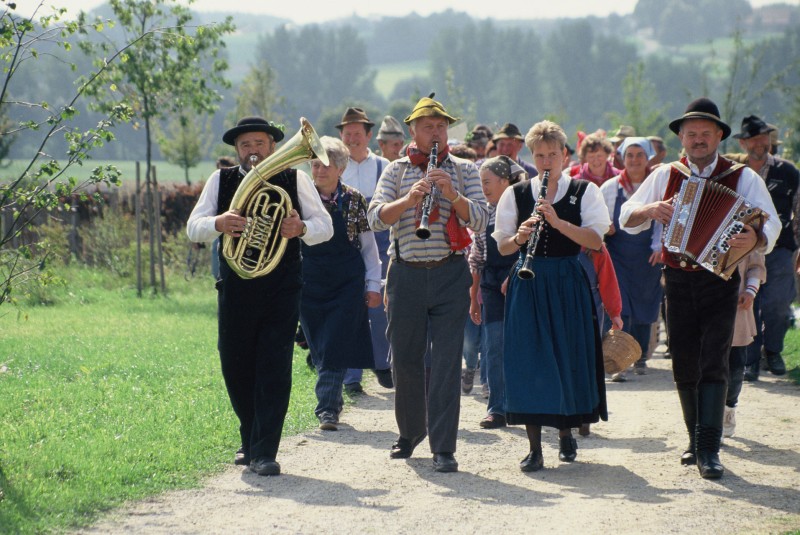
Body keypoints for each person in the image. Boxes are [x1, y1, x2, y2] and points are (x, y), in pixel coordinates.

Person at [619, 97, 780, 479]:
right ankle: (694, 439)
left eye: (705, 133)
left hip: (721, 278)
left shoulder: (743, 177)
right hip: (678, 276)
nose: (697, 140)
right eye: (690, 134)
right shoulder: (665, 175)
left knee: (714, 358)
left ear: (720, 136)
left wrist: (754, 237)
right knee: (684, 359)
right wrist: (651, 209)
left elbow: (771, 223)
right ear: (681, 139)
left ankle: (710, 448)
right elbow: (627, 216)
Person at [186, 116, 333, 476]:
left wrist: (301, 228)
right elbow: (194, 225)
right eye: (246, 145)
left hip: (281, 287)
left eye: (260, 144)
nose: (253, 151)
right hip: (236, 286)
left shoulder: (295, 179)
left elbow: (325, 227)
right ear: (237, 150)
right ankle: (249, 436)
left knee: (274, 365)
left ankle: (265, 450)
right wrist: (219, 223)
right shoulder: (220, 181)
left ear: (272, 146)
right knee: (235, 365)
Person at [368, 94, 488, 473]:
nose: (435, 133)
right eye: (427, 127)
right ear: (413, 131)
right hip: (405, 272)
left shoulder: (465, 169)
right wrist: (409, 200)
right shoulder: (396, 170)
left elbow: (482, 219)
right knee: (404, 358)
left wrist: (451, 194)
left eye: (440, 127)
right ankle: (410, 432)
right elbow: (375, 219)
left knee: (448, 361)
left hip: (451, 272)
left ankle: (444, 446)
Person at [494, 120, 610, 472]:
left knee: (566, 355)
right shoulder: (514, 194)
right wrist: (519, 239)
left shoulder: (584, 191)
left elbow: (596, 241)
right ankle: (534, 448)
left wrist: (558, 223)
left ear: (564, 155)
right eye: (540, 155)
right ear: (532, 156)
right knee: (528, 359)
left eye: (553, 155)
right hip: (528, 281)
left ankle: (565, 431)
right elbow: (501, 246)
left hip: (566, 280)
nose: (546, 162)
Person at [300, 136, 382, 431]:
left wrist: (373, 284)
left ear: (341, 169)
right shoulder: (298, 198)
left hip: (346, 281)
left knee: (334, 343)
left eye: (326, 166)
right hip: (308, 281)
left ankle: (328, 410)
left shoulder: (354, 199)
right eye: (315, 165)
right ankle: (331, 397)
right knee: (321, 346)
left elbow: (368, 246)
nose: (319, 171)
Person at [727, 116, 799, 381]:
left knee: (778, 303)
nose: (761, 143)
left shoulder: (787, 171)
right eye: (755, 138)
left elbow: (798, 210)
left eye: (764, 137)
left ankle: (774, 351)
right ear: (744, 142)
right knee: (746, 302)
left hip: (779, 248)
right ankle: (749, 360)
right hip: (742, 249)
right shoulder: (734, 171)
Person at [336, 107, 394, 393]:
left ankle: (383, 364)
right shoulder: (335, 167)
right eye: (347, 134)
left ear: (369, 135)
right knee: (349, 308)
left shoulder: (384, 166)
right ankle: (351, 376)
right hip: (345, 246)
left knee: (380, 307)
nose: (352, 139)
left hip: (381, 244)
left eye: (357, 134)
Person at [469, 155, 526, 429]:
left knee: (521, 345)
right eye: (481, 183)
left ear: (505, 181)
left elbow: (530, 248)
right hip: (491, 284)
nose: (484, 188)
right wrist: (473, 298)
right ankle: (497, 408)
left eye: (488, 182)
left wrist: (515, 272)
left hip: (523, 282)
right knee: (493, 346)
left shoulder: (523, 208)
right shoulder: (484, 213)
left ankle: (525, 404)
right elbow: (477, 257)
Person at [600, 137, 663, 381]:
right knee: (620, 307)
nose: (635, 160)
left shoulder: (655, 186)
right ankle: (617, 359)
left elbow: (661, 218)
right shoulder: (610, 187)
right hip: (618, 255)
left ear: (648, 158)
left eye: (639, 155)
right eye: (630, 155)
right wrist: (606, 228)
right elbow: (602, 218)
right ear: (622, 159)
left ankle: (641, 356)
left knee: (645, 305)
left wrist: (659, 246)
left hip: (647, 255)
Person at [724, 251, 765, 439]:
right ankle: (708, 419)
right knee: (704, 367)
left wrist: (750, 290)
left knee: (735, 368)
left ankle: (728, 409)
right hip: (703, 305)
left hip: (737, 308)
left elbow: (756, 265)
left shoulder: (750, 223)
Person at [209, 156, 237, 280]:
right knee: (217, 270)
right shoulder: (216, 183)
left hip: (236, 229)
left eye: (223, 168)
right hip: (219, 230)